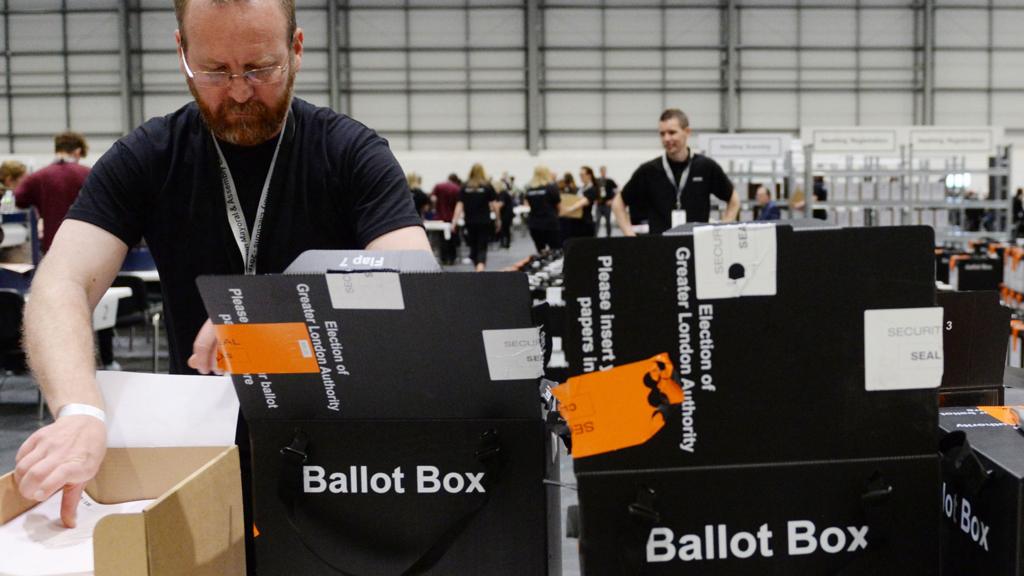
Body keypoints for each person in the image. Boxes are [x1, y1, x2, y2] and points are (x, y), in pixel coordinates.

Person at [13, 0, 429, 551]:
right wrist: (79, 409)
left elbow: (416, 280)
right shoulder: (148, 156)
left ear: (296, 51)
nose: (237, 92)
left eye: (260, 69)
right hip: (197, 440)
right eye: (213, 71)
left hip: (339, 441)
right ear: (182, 53)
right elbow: (60, 283)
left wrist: (266, 309)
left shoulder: (349, 151)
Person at [613, 108, 739, 235]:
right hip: (660, 249)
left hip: (697, 247)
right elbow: (618, 203)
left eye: (672, 132)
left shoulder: (706, 167)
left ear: (687, 132)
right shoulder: (649, 171)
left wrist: (721, 232)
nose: (666, 138)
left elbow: (734, 200)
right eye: (662, 134)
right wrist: (630, 236)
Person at [14, 132, 90, 253]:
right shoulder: (89, 174)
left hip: (52, 245)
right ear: (78, 151)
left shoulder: (38, 176)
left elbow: (18, 198)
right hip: (84, 245)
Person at [451, 163, 499, 272]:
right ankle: (480, 266)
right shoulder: (487, 186)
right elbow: (495, 205)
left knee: (473, 246)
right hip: (484, 221)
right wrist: (498, 220)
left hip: (470, 221)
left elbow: (459, 205)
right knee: (482, 245)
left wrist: (454, 221)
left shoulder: (465, 186)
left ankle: (478, 266)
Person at [524, 165, 562, 254]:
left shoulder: (529, 190)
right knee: (555, 250)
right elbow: (559, 207)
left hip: (534, 224)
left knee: (540, 251)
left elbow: (527, 204)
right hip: (550, 223)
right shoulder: (551, 188)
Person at [431, 173, 461, 265]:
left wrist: (437, 207)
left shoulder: (439, 186)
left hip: (440, 217)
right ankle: (452, 258)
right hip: (452, 217)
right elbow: (459, 204)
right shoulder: (457, 188)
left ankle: (443, 258)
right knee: (452, 238)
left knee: (442, 239)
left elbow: (433, 199)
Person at [561, 165, 597, 239]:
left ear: (589, 175)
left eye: (582, 175)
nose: (581, 177)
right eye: (580, 175)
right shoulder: (580, 189)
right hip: (575, 222)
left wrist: (568, 209)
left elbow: (584, 201)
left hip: (586, 223)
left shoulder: (593, 189)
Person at [594, 165, 617, 237]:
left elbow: (617, 191)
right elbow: (593, 191)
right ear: (600, 172)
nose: (603, 172)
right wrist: (595, 199)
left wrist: (612, 200)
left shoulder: (610, 181)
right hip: (599, 204)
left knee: (608, 222)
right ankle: (595, 236)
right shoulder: (596, 181)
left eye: (604, 171)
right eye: (602, 171)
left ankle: (608, 236)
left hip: (607, 205)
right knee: (597, 220)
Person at [494, 177, 514, 249]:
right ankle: (504, 243)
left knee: (506, 228)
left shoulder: (503, 193)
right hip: (504, 213)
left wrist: (494, 206)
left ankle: (507, 243)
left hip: (507, 213)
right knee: (504, 229)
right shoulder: (500, 194)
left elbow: (500, 204)